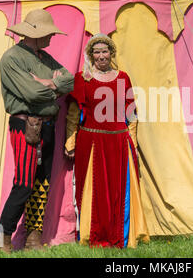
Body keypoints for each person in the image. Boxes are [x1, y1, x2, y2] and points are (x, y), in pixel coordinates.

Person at [0, 9, 74, 253]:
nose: (52, 37)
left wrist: (46, 83)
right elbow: (31, 94)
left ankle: (33, 238)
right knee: (23, 183)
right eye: (48, 33)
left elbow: (70, 80)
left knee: (41, 182)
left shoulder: (45, 57)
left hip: (48, 124)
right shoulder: (11, 58)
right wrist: (52, 85)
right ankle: (4, 239)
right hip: (26, 125)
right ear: (36, 34)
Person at [64, 33, 149, 248]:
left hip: (119, 143)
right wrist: (70, 141)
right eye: (97, 52)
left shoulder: (123, 78)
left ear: (111, 53)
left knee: (119, 192)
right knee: (93, 192)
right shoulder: (82, 79)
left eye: (105, 51)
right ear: (91, 55)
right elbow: (73, 114)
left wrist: (133, 142)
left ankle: (121, 235)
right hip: (91, 143)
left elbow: (131, 112)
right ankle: (91, 235)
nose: (101, 56)